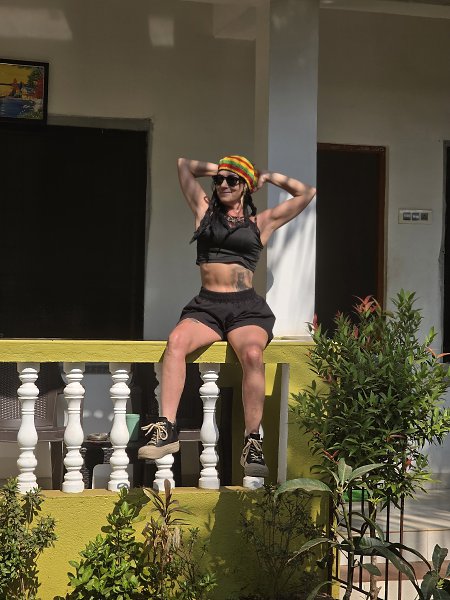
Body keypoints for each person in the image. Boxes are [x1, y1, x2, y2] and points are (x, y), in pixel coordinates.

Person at [138, 155, 316, 477]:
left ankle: (253, 441)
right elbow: (183, 164)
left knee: (252, 355)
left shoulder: (260, 223)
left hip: (245, 309)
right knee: (175, 342)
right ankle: (168, 428)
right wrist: (222, 168)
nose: (223, 184)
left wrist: (265, 175)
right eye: (219, 180)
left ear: (245, 186)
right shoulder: (204, 211)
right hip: (207, 307)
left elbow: (307, 193)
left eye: (232, 180)